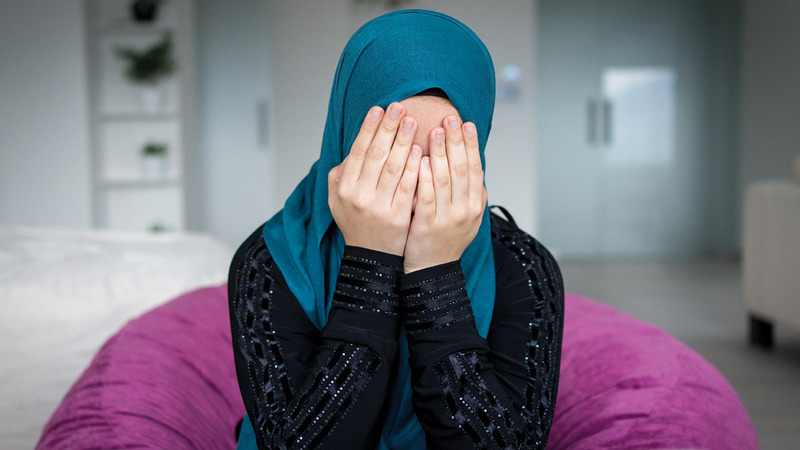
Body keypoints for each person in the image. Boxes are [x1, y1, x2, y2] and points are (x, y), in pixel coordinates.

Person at [228, 9, 564, 450]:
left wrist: (436, 273)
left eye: (443, 159)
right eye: (390, 155)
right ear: (348, 142)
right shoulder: (270, 260)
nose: (412, 185)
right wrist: (369, 259)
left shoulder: (523, 265)